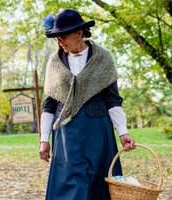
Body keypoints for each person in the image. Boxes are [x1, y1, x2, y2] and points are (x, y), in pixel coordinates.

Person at [38, 9, 136, 200]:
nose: (59, 42)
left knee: (97, 183)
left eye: (63, 36)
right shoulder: (54, 62)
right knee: (69, 183)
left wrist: (123, 132)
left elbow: (113, 100)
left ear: (79, 33)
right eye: (56, 38)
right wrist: (44, 140)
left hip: (97, 131)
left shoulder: (103, 58)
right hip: (66, 135)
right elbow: (49, 104)